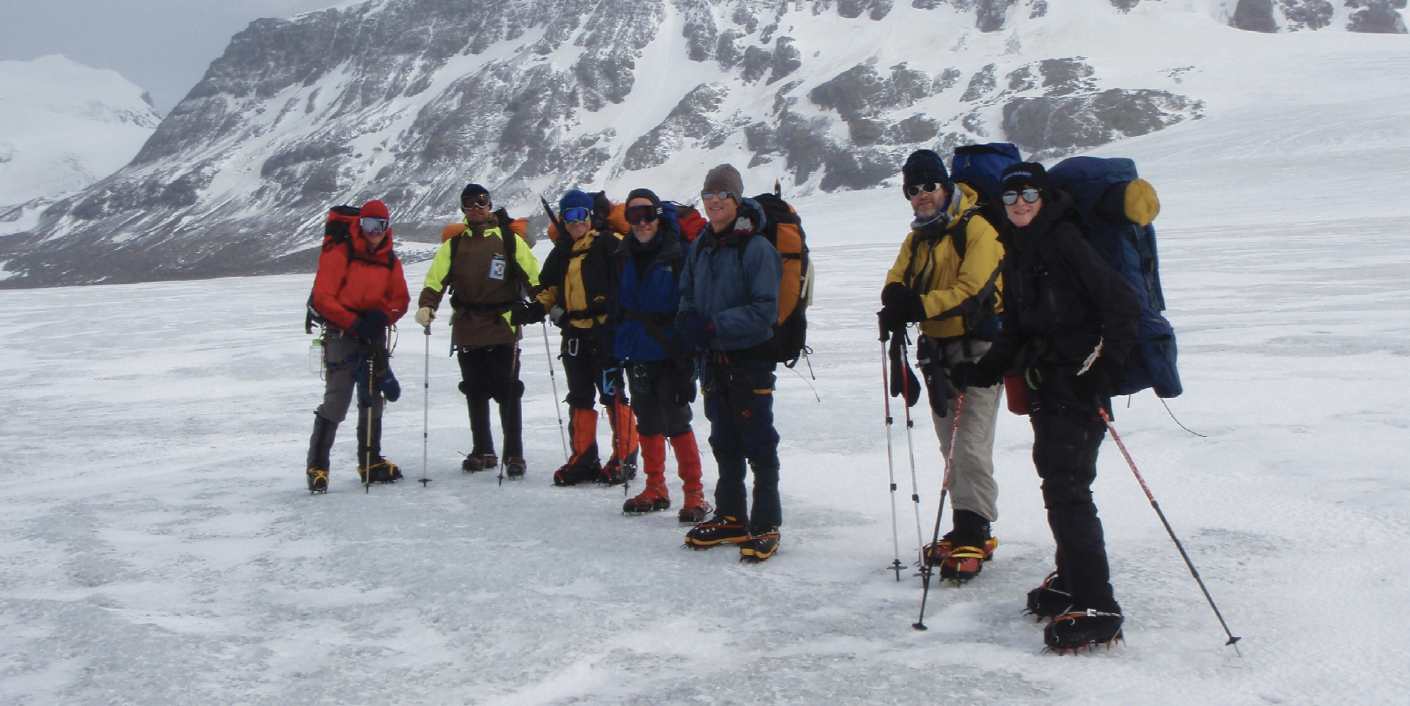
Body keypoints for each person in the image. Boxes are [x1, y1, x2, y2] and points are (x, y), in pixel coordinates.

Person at [952, 162, 1140, 650]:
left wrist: (1102, 371)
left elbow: (1122, 305)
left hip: (1077, 385)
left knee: (1068, 487)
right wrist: (988, 368)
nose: (1019, 204)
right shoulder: (1018, 247)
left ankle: (1098, 603)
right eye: (1010, 196)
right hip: (1045, 386)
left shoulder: (1065, 241)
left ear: (1044, 196)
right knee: (1057, 481)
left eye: (1028, 194)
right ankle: (1073, 580)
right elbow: (1017, 326)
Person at [878, 149, 1006, 582]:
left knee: (969, 443)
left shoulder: (978, 229)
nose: (922, 195)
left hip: (979, 350)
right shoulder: (917, 238)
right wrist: (895, 299)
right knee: (950, 444)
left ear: (945, 186)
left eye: (929, 186)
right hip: (936, 352)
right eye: (912, 189)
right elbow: (896, 278)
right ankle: (965, 525)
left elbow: (973, 290)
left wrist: (918, 306)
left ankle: (975, 529)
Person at [679, 165, 784, 562]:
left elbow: (765, 309)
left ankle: (766, 522)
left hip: (749, 359)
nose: (715, 201)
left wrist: (714, 325)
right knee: (723, 438)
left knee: (757, 439)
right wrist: (688, 321)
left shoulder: (757, 248)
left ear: (737, 199)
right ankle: (731, 515)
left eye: (723, 194)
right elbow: (686, 293)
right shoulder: (702, 245)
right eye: (709, 194)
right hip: (713, 359)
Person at [513, 190, 639, 486]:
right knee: (580, 395)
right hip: (574, 334)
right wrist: (534, 310)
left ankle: (625, 456)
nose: (575, 222)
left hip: (605, 332)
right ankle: (584, 457)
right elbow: (550, 288)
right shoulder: (561, 251)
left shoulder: (609, 244)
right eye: (569, 216)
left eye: (580, 214)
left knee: (612, 393)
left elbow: (627, 284)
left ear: (591, 216)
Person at [414, 183, 540, 478]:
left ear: (489, 205)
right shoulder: (454, 245)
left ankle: (514, 454)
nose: (476, 209)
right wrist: (427, 305)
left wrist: (543, 302)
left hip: (503, 325)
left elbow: (532, 275)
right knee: (475, 391)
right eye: (469, 204)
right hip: (468, 326)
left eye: (481, 202)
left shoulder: (508, 240)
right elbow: (435, 279)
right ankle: (483, 451)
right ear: (463, 209)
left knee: (508, 391)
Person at [603, 188, 710, 522]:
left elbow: (693, 304)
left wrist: (689, 359)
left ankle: (694, 493)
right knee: (647, 420)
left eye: (647, 214)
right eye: (634, 216)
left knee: (677, 420)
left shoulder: (680, 253)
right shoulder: (622, 256)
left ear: (658, 215)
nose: (642, 222)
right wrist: (610, 356)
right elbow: (615, 307)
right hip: (636, 352)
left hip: (672, 352)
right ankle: (655, 488)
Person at [306, 200, 410, 492]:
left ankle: (370, 462)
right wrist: (355, 323)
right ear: (360, 224)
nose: (375, 232)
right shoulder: (340, 253)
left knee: (373, 398)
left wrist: (385, 315)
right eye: (369, 225)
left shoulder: (389, 259)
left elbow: (401, 299)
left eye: (381, 225)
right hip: (342, 334)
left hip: (373, 334)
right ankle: (317, 467)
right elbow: (323, 298)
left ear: (387, 228)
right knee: (337, 399)